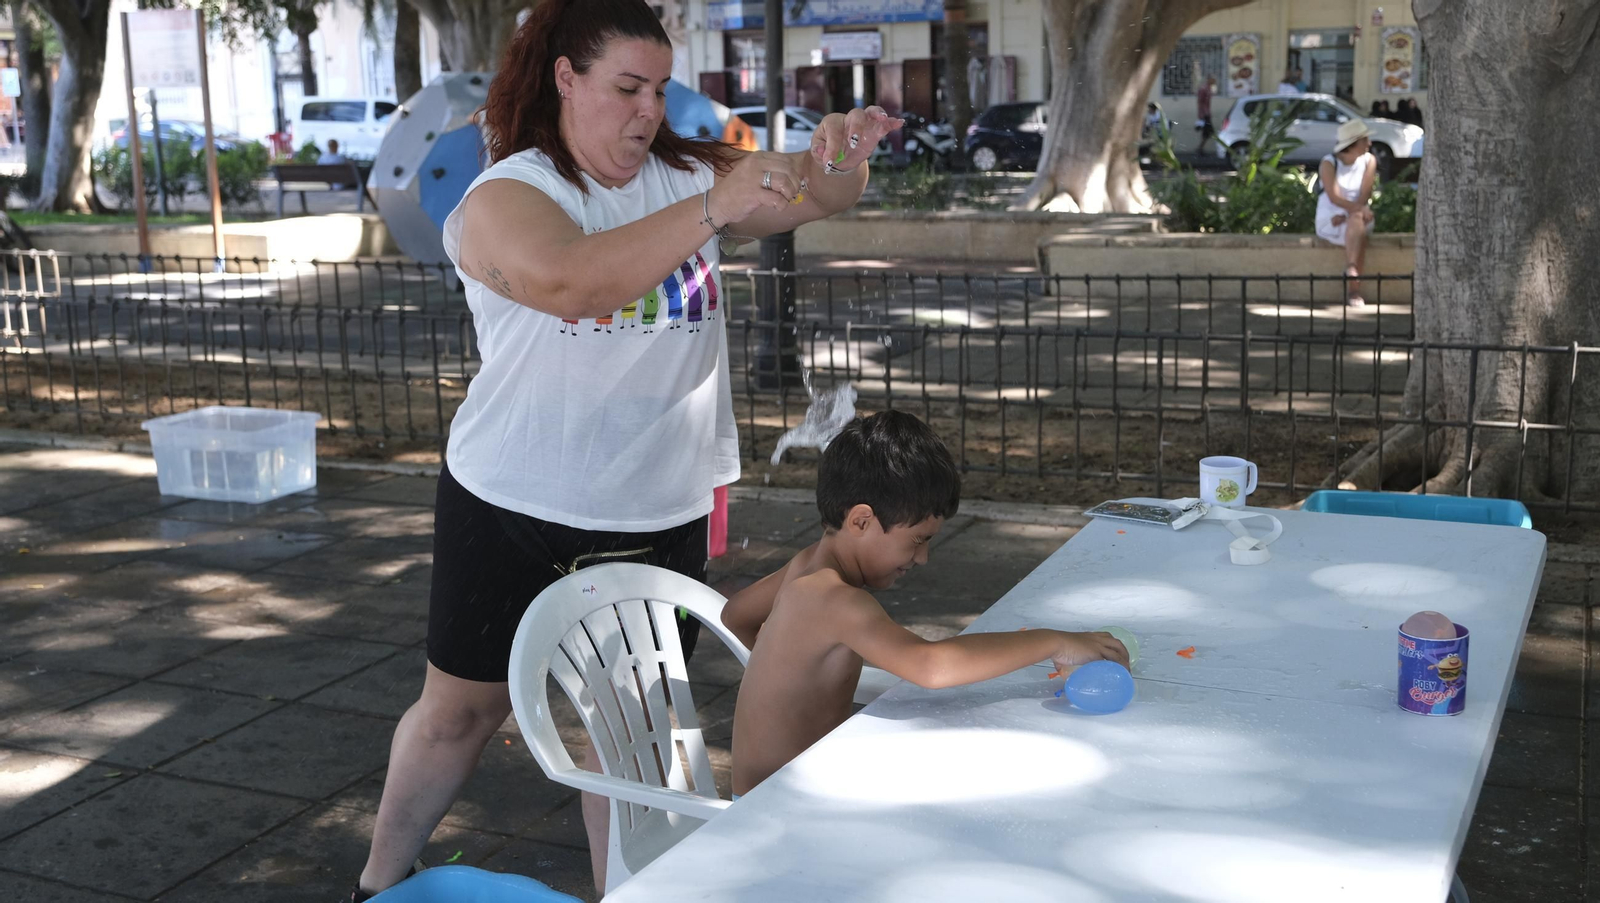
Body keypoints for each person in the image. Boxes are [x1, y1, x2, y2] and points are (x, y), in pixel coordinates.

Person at [345, 1, 903, 899]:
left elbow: (813, 190)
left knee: (637, 740)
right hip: (510, 500)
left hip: (653, 508)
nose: (647, 111)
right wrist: (716, 204)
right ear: (566, 79)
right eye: (625, 89)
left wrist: (841, 157)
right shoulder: (508, 195)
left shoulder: (684, 173)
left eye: (658, 89)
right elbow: (570, 281)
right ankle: (377, 882)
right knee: (462, 712)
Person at [720, 411, 1130, 796]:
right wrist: (1054, 641)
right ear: (861, 521)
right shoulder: (834, 599)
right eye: (917, 540)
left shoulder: (805, 566)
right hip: (778, 810)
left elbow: (734, 613)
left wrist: (792, 674)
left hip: (778, 790)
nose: (922, 558)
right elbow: (931, 667)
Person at [1315, 119, 1378, 308]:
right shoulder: (1329, 163)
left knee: (1357, 222)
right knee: (1358, 228)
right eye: (1365, 139)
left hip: (1357, 212)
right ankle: (1354, 290)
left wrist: (1354, 212)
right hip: (1331, 214)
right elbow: (1334, 197)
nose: (1369, 143)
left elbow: (1364, 195)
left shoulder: (1369, 161)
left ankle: (1351, 271)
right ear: (1353, 144)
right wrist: (1348, 212)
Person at [1195, 76, 1217, 153]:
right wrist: (1201, 114)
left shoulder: (1209, 88)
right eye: (1213, 79)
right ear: (1209, 79)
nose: (1214, 81)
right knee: (1209, 132)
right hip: (1205, 114)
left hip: (1207, 113)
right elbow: (1200, 102)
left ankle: (1200, 148)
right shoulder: (1203, 89)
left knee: (1207, 133)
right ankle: (1200, 149)